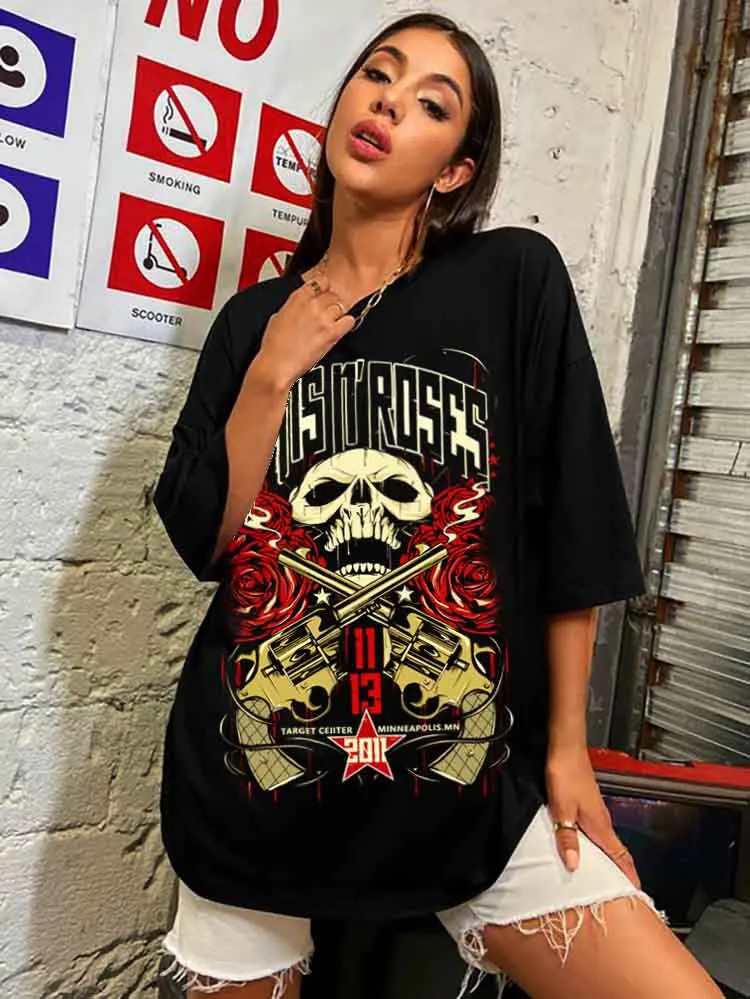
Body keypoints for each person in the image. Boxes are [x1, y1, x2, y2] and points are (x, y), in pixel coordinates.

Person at [153, 12, 723, 999]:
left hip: (470, 781)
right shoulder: (252, 323)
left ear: (456, 169)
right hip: (257, 777)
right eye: (378, 75)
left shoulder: (512, 279)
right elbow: (209, 541)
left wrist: (567, 752)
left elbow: (575, 524)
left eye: (431, 103)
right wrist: (273, 373)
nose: (387, 103)